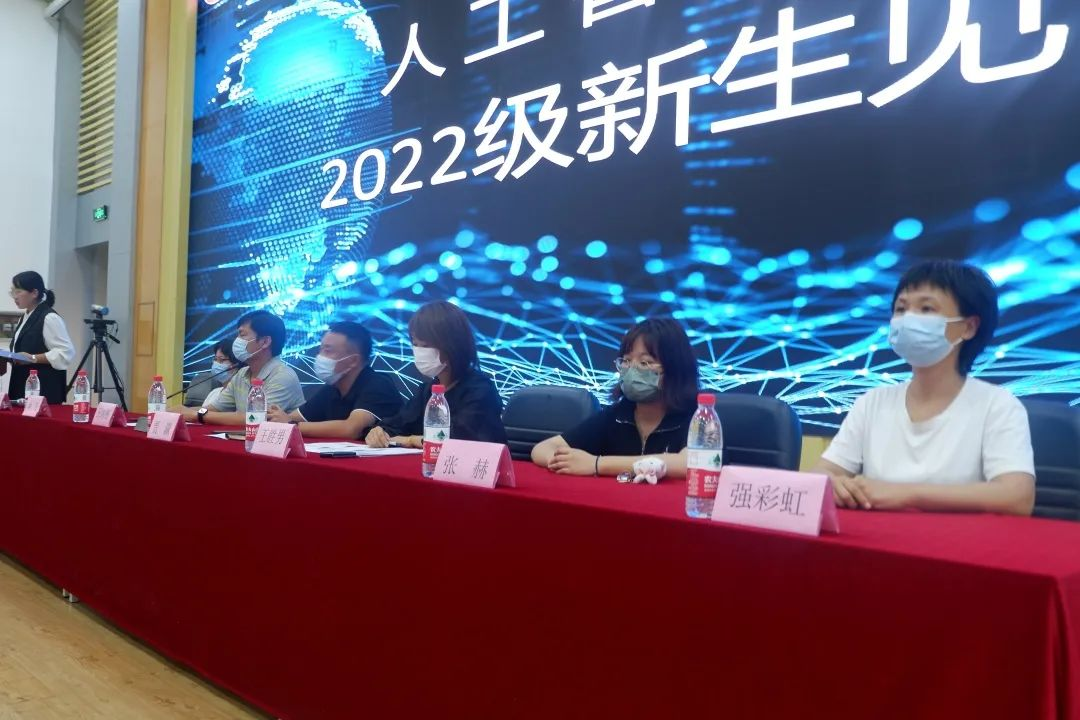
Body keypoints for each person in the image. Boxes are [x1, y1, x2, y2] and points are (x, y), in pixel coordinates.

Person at [814, 260, 1035, 515]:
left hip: (957, 539)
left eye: (926, 308)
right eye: (901, 309)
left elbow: (1017, 498)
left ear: (968, 327)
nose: (908, 319)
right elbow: (822, 473)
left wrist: (906, 494)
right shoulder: (872, 402)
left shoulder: (998, 405)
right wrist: (834, 484)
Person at [531, 318, 699, 478]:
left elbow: (690, 463)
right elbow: (542, 449)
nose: (631, 369)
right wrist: (562, 462)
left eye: (644, 362)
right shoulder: (618, 414)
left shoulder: (698, 415)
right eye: (626, 361)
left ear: (675, 369)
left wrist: (597, 464)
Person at [365, 301, 506, 447]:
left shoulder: (480, 390)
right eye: (415, 344)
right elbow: (398, 423)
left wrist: (411, 440)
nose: (419, 352)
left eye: (426, 345)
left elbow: (460, 439)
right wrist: (379, 432)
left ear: (453, 345)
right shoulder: (428, 390)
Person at [266, 321, 402, 438]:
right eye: (321, 349)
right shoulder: (332, 389)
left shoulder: (378, 384)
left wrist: (291, 425)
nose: (319, 356)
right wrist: (276, 417)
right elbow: (291, 418)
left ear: (353, 360)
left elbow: (352, 429)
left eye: (328, 351)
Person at [176, 310, 304, 425]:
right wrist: (181, 412)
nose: (236, 341)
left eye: (242, 335)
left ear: (265, 342)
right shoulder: (242, 374)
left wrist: (198, 415)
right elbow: (214, 408)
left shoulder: (282, 376)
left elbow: (255, 418)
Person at [0, 271, 76, 404]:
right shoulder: (24, 317)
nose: (14, 296)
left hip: (44, 392)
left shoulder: (49, 318)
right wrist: (7, 358)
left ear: (34, 293)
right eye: (12, 292)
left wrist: (33, 358)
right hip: (21, 388)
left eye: (18, 291)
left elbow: (65, 353)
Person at [184, 339, 240, 408]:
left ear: (235, 364)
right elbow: (203, 411)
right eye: (215, 359)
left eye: (221, 360)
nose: (216, 364)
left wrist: (188, 411)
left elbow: (205, 411)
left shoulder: (239, 396)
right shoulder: (214, 393)